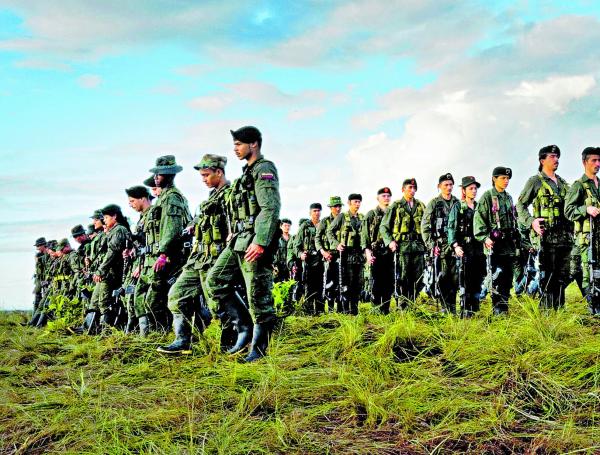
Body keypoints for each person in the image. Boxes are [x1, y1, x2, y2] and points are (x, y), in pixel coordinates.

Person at [206, 126, 281, 362]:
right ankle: (245, 329)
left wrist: (260, 241)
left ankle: (259, 350)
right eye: (234, 144)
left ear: (254, 144)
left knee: (257, 294)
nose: (235, 148)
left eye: (239, 144)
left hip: (254, 241)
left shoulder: (264, 169)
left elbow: (270, 208)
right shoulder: (245, 174)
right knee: (215, 281)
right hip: (239, 239)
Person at [158, 154, 231, 354]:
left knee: (218, 305)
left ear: (219, 172)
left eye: (206, 175)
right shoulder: (211, 197)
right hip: (198, 259)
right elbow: (198, 221)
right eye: (201, 176)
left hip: (216, 260)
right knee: (176, 295)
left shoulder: (230, 195)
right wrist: (192, 226)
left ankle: (231, 344)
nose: (203, 179)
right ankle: (183, 341)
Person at [137, 155, 192, 335]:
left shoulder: (172, 198)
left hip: (170, 257)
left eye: (159, 174)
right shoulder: (164, 198)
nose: (155, 177)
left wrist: (163, 254)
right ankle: (162, 335)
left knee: (157, 300)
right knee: (156, 299)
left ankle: (165, 335)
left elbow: (171, 229)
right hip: (162, 256)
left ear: (168, 175)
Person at [517, 145, 572, 309]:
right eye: (552, 156)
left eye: (557, 156)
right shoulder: (535, 181)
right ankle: (547, 317)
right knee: (547, 278)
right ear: (542, 160)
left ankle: (559, 312)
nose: (556, 159)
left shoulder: (562, 182)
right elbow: (520, 205)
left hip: (565, 238)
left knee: (562, 277)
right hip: (546, 238)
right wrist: (531, 221)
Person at [474, 167, 518, 315]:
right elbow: (479, 221)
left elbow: (514, 220)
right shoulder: (487, 197)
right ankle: (498, 311)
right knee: (496, 279)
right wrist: (485, 237)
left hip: (508, 246)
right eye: (502, 178)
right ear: (494, 179)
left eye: (507, 179)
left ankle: (504, 309)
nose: (506, 181)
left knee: (507, 279)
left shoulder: (509, 197)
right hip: (495, 246)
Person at [565, 147, 600, 315]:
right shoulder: (578, 186)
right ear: (584, 162)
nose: (598, 164)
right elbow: (568, 210)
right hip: (587, 238)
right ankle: (593, 309)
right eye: (594, 160)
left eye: (599, 160)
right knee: (589, 273)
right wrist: (586, 209)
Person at [380, 178, 426, 306]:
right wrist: (390, 242)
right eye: (409, 188)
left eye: (414, 188)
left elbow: (427, 226)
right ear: (403, 189)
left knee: (419, 278)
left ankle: (412, 304)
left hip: (418, 247)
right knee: (403, 278)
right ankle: (403, 306)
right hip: (403, 248)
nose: (412, 190)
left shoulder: (421, 205)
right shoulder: (396, 206)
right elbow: (384, 227)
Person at [421, 173, 460, 314]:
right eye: (446, 185)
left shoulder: (457, 202)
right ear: (439, 187)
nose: (449, 187)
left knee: (456, 277)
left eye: (451, 185)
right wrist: (431, 245)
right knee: (443, 277)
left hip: (454, 246)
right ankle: (444, 307)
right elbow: (425, 226)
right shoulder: (434, 203)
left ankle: (453, 306)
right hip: (440, 246)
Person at [447, 176, 485, 317]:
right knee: (465, 281)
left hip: (479, 249)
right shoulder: (458, 206)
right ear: (464, 190)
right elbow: (451, 228)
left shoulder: (479, 206)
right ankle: (465, 311)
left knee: (478, 280)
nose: (474, 191)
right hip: (465, 249)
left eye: (475, 188)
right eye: (471, 188)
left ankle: (474, 310)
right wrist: (455, 245)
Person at [91, 204, 132, 330]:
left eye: (107, 217)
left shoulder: (119, 230)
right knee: (97, 301)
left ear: (115, 216)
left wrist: (100, 271)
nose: (104, 220)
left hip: (112, 273)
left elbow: (112, 253)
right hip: (108, 272)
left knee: (105, 302)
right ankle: (94, 328)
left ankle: (107, 331)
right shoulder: (113, 231)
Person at [327, 193, 365, 315]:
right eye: (355, 202)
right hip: (346, 255)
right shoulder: (342, 217)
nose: (357, 204)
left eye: (359, 202)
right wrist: (337, 244)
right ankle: (345, 311)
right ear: (349, 203)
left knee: (358, 284)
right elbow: (329, 231)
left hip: (358, 255)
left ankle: (354, 310)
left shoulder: (362, 218)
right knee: (345, 284)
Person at [123, 185, 153, 334]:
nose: (130, 204)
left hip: (150, 264)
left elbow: (152, 244)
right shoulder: (142, 218)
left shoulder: (153, 215)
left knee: (144, 298)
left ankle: (148, 334)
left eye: (132, 200)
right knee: (134, 296)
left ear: (142, 198)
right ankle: (140, 332)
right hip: (142, 262)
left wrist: (141, 266)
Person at [361, 187, 394, 313]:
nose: (386, 198)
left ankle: (385, 308)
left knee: (389, 282)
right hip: (376, 253)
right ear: (378, 198)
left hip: (390, 253)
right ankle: (375, 309)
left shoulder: (393, 213)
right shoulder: (371, 214)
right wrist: (368, 253)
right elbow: (365, 235)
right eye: (383, 196)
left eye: (388, 196)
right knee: (377, 282)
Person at [293, 203, 324, 314]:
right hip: (309, 262)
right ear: (310, 212)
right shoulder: (305, 226)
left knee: (321, 287)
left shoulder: (323, 224)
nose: (317, 213)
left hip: (321, 261)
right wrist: (301, 254)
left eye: (319, 211)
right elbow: (296, 245)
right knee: (309, 288)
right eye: (315, 211)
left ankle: (320, 312)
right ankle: (309, 312)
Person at [316, 197, 343, 311]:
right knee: (330, 283)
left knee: (342, 282)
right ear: (331, 208)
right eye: (335, 206)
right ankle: (331, 308)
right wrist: (323, 252)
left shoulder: (344, 220)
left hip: (342, 255)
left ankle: (341, 309)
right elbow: (317, 239)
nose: (338, 209)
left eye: (339, 206)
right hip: (329, 256)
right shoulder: (325, 221)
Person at [29, 237, 49, 326]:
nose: (37, 248)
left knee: (43, 301)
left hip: (46, 279)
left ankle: (38, 322)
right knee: (37, 299)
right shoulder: (39, 255)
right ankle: (33, 321)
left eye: (38, 246)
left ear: (43, 245)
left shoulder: (48, 255)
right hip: (39, 279)